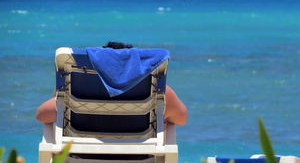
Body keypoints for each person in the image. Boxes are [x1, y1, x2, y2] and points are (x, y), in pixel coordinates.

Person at [36, 42, 188, 126]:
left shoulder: (72, 87)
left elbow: (41, 115)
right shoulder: (159, 91)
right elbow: (182, 119)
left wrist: (59, 96)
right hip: (140, 155)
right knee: (168, 121)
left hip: (83, 153)